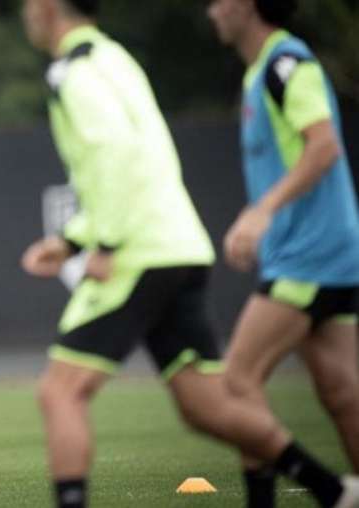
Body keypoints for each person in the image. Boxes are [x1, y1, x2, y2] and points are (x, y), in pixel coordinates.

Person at [20, 1, 359, 507]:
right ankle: (331, 491)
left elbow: (112, 154)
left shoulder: (73, 71)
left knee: (61, 393)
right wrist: (72, 239)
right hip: (181, 245)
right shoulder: (118, 58)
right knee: (208, 405)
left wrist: (105, 242)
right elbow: (142, 154)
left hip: (146, 250)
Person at [207, 0, 359, 505]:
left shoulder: (286, 63)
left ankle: (324, 491)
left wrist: (262, 210)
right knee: (342, 394)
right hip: (323, 254)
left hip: (309, 256)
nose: (211, 11)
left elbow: (324, 146)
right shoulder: (259, 73)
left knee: (235, 385)